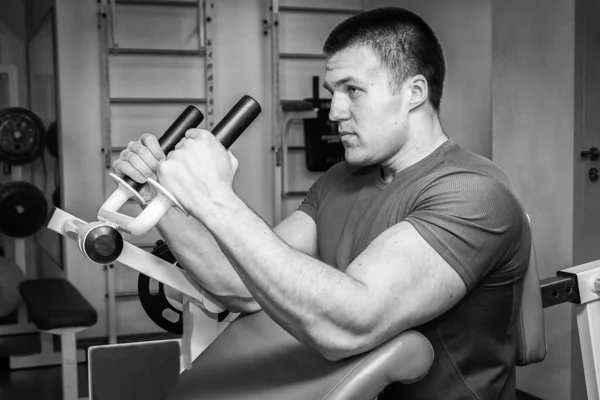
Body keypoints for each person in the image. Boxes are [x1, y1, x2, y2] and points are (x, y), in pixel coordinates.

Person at [113, 6, 531, 400]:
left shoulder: (473, 194)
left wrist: (215, 199)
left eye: (353, 90)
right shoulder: (340, 179)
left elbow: (351, 324)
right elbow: (240, 286)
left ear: (415, 92)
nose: (334, 111)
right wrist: (157, 200)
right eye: (334, 91)